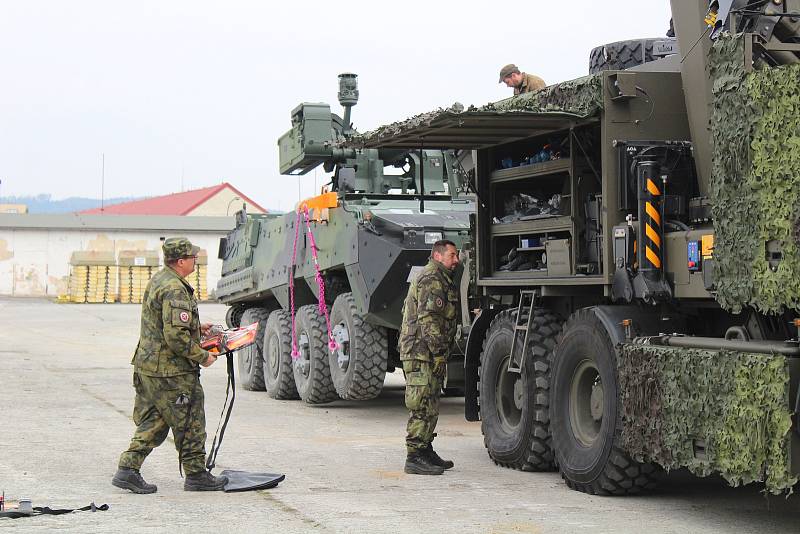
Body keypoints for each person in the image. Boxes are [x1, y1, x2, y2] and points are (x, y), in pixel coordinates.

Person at [112, 237, 228, 493]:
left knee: (156, 419)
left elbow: (164, 324)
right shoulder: (175, 288)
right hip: (170, 371)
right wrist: (203, 356)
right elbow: (175, 336)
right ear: (180, 261)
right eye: (192, 257)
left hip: (150, 367)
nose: (195, 261)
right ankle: (196, 474)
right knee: (190, 418)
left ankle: (127, 469)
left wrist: (196, 328)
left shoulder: (161, 279)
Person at [399, 239, 460, 475]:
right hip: (421, 353)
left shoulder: (441, 278)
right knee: (421, 404)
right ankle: (414, 456)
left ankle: (425, 449)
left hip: (428, 354)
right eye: (452, 255)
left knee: (431, 404)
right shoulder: (432, 278)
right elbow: (429, 320)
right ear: (437, 256)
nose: (456, 260)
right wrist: (438, 353)